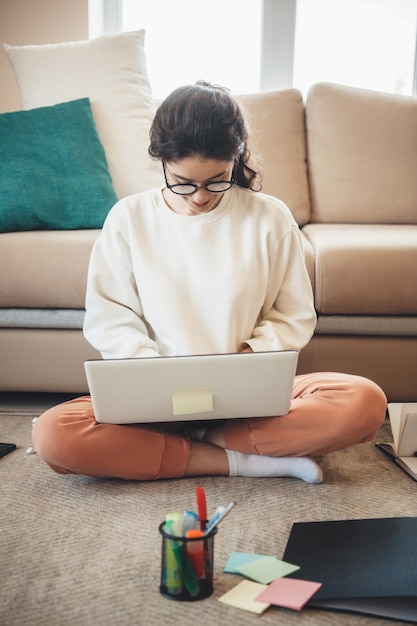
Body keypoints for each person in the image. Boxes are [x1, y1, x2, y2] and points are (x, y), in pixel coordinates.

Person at [32, 81, 387, 484]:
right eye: (183, 182)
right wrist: (152, 375)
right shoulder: (128, 219)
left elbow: (292, 314)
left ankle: (199, 441)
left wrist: (251, 356)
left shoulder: (269, 217)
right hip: (155, 400)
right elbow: (110, 316)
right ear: (160, 161)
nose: (200, 197)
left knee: (365, 401)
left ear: (236, 159)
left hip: (246, 398)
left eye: (216, 180)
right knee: (53, 434)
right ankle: (243, 460)